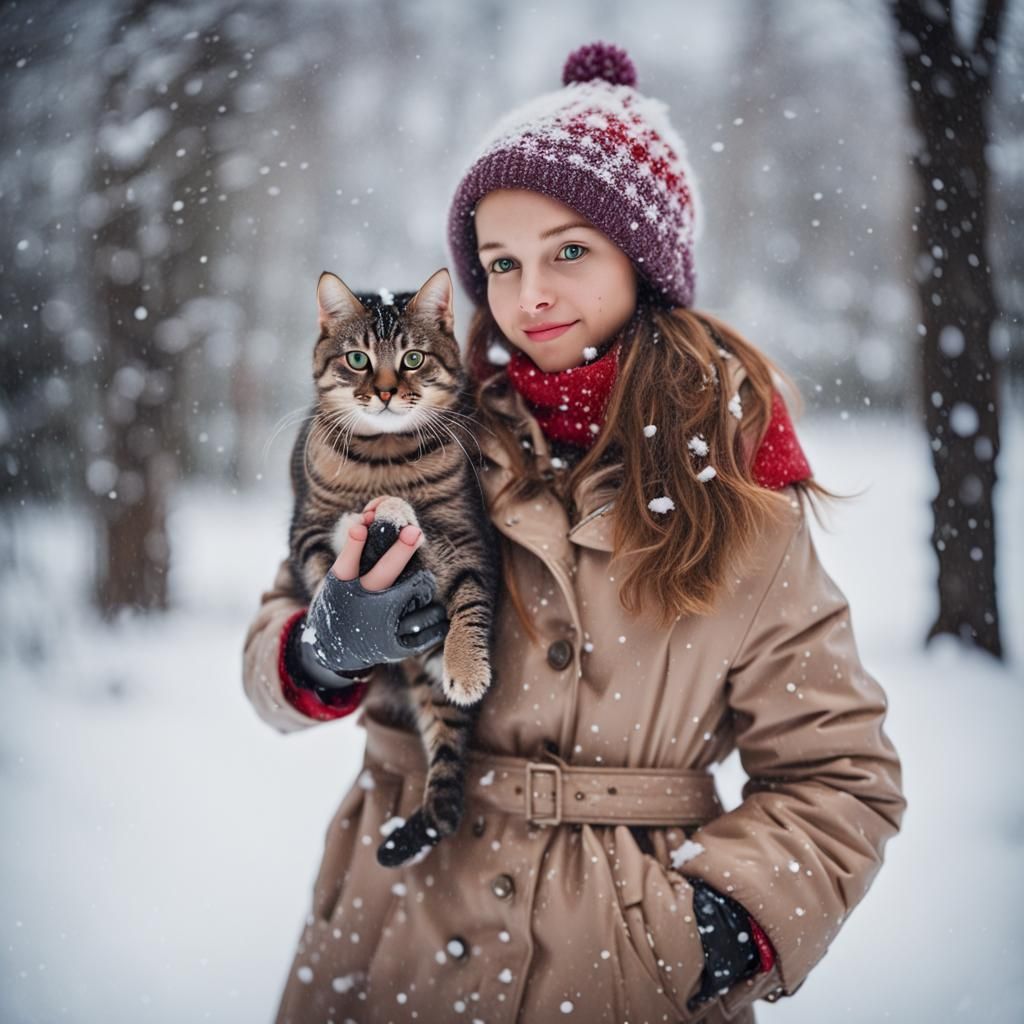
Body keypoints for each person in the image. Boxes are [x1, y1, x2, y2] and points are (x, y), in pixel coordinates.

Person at [242, 41, 905, 1024]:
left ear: (644, 262)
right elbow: (274, 650)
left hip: (618, 970)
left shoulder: (737, 484)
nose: (528, 296)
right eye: (501, 265)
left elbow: (840, 773)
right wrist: (322, 651)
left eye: (567, 252)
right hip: (389, 944)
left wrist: (714, 929)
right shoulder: (419, 442)